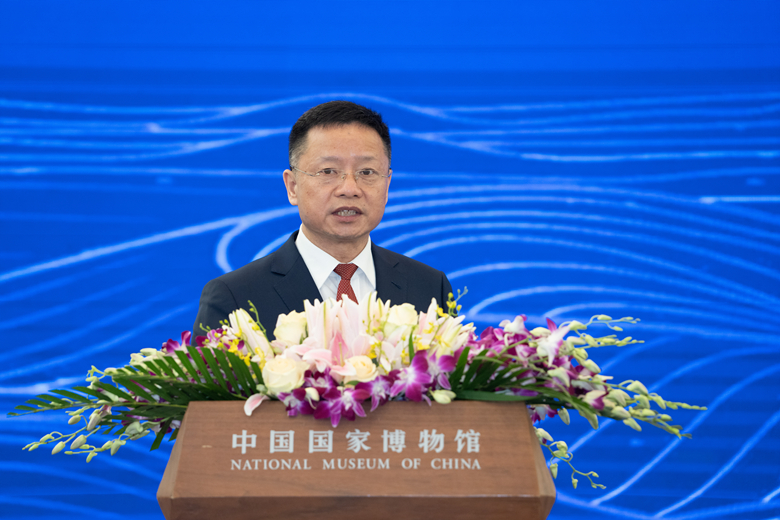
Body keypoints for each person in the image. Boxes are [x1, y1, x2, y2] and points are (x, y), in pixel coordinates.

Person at [192, 100, 452, 338]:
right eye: (328, 171)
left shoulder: (430, 287)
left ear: (387, 186)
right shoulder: (234, 297)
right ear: (292, 187)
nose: (349, 188)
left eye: (367, 172)